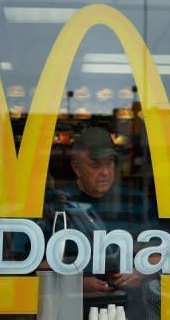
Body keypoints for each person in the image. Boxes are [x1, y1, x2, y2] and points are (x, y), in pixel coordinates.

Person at [41, 127, 159, 319]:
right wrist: (76, 282)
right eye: (95, 165)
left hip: (130, 309)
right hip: (70, 309)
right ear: (76, 168)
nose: (105, 172)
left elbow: (158, 254)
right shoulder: (55, 203)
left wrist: (140, 273)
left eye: (110, 163)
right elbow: (32, 263)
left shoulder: (136, 200)